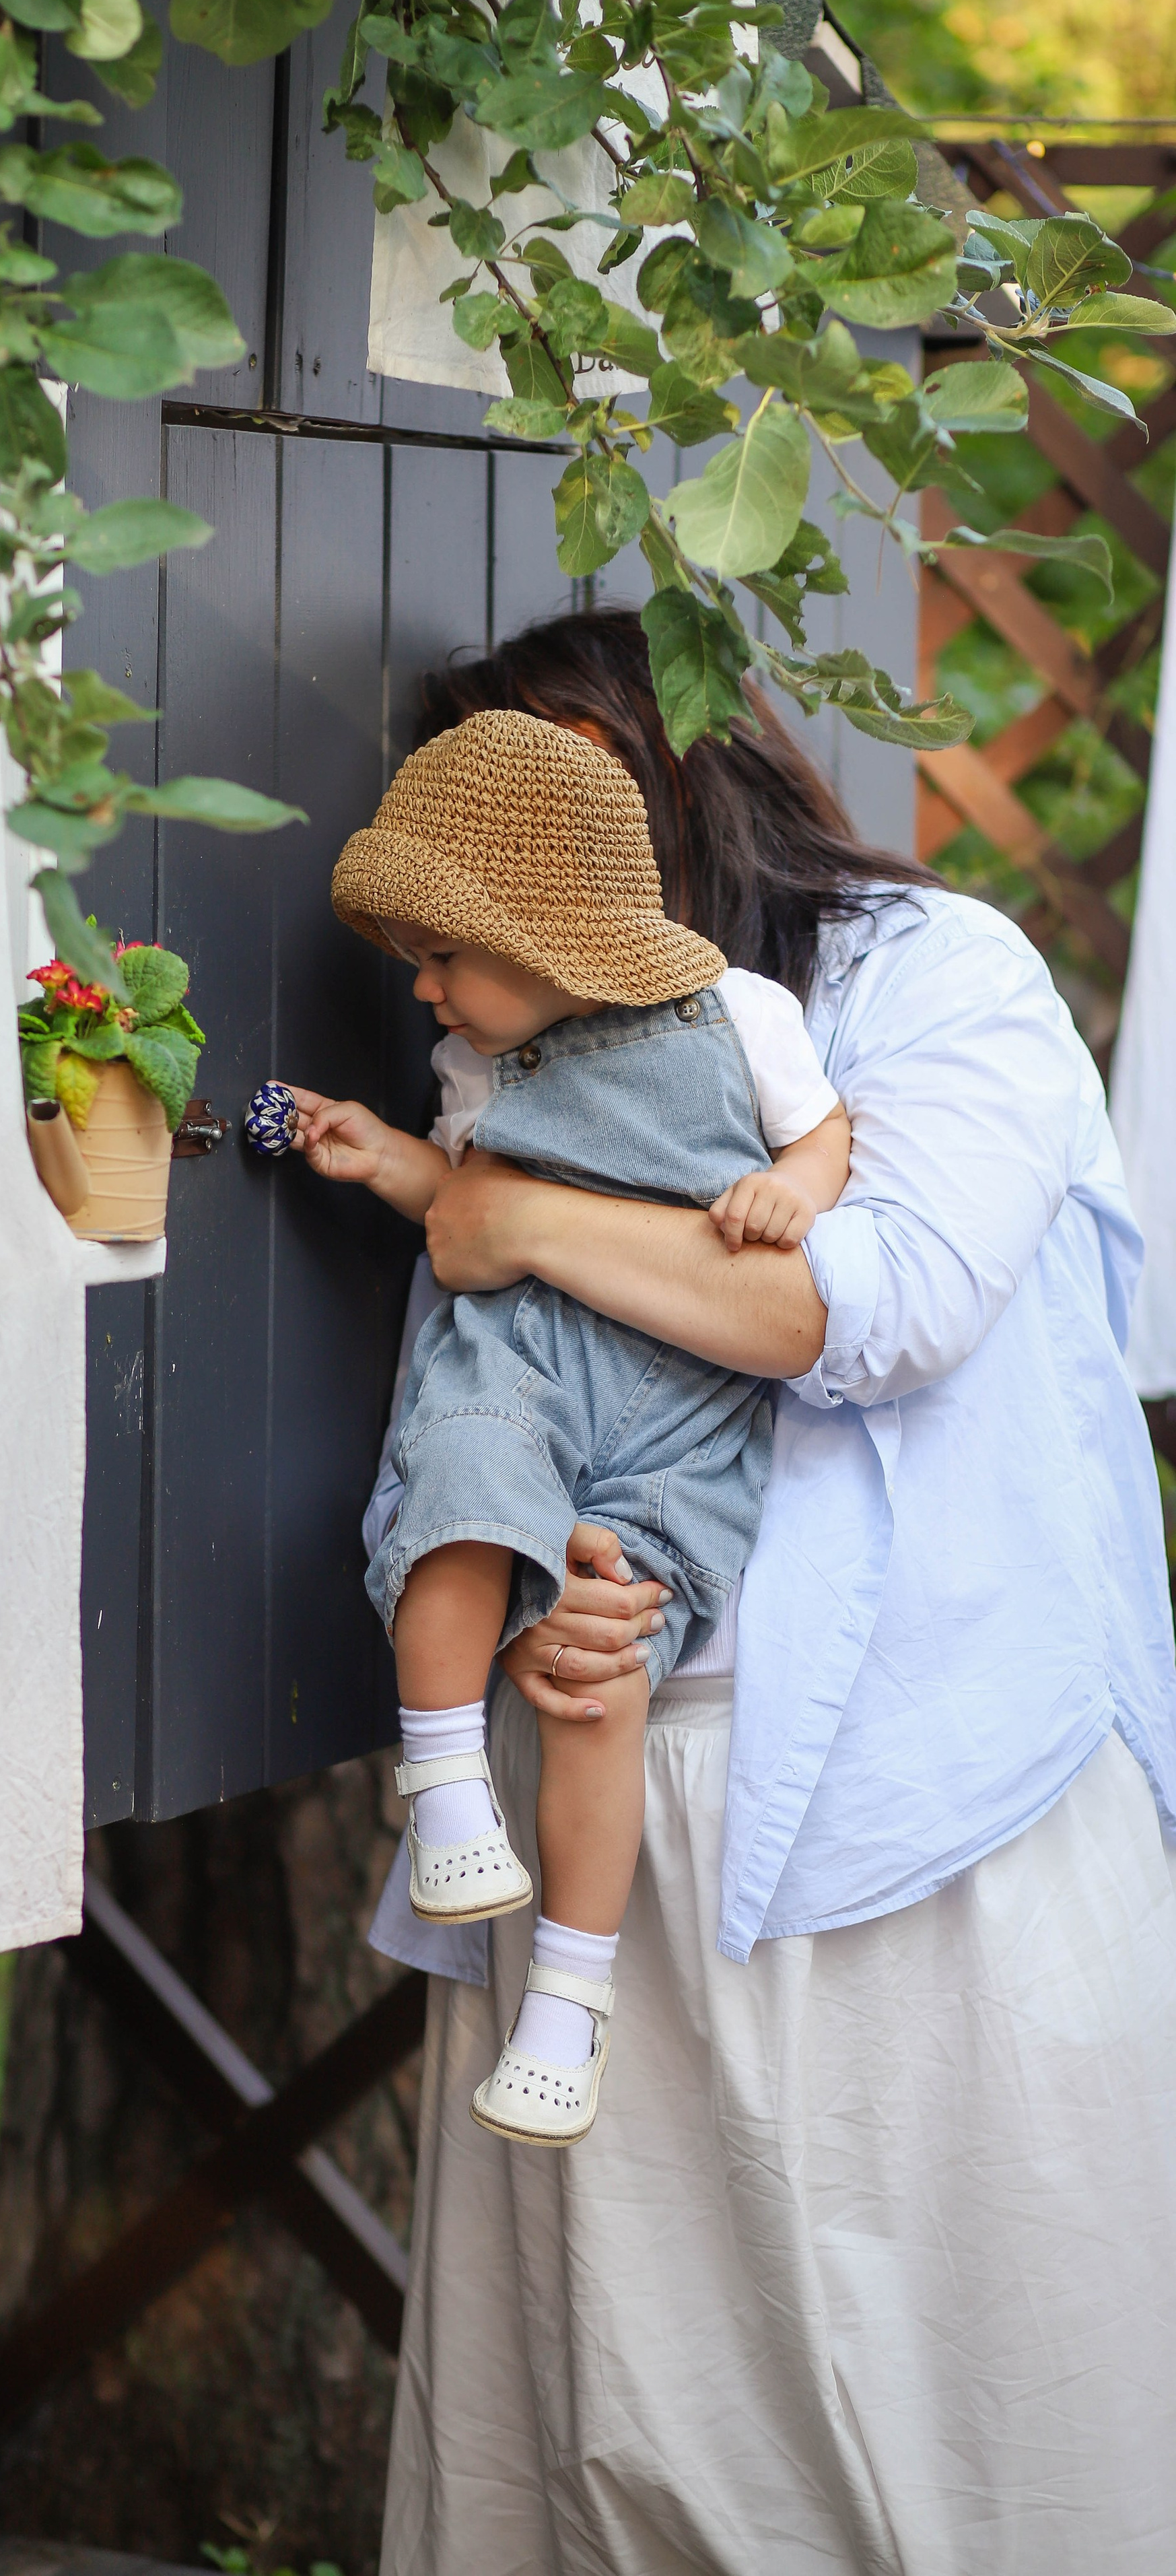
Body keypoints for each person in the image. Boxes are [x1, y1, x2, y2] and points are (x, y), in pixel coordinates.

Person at [349, 611, 1176, 2574]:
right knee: (629, 2431)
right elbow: (508, 1390)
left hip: (924, 1822)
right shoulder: (513, 1037)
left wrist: (521, 1216)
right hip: (610, 1787)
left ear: (657, 779)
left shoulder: (930, 980)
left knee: (962, 2407)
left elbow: (860, 1308)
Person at [286, 708, 850, 2145]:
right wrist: (389, 1158)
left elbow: (820, 1132)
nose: (421, 991)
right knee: (457, 1507)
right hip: (526, 1365)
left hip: (684, 1413)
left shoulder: (738, 1016)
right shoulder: (489, 1068)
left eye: (442, 955)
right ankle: (444, 1788)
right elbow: (469, 1205)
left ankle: (570, 1999)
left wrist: (796, 1192)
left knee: (606, 1673)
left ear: (544, 932)